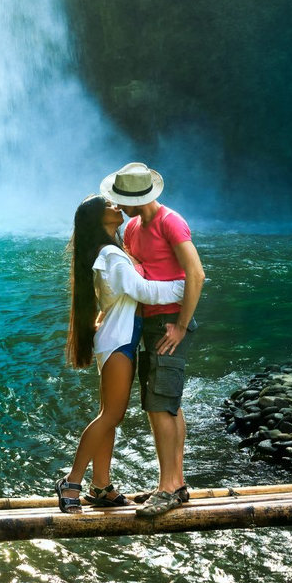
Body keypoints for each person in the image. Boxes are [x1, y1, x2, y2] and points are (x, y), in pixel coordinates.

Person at [58, 195, 187, 513]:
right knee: (110, 416)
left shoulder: (111, 252)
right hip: (119, 343)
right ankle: (71, 481)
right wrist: (186, 287)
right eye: (110, 206)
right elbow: (144, 291)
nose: (118, 207)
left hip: (119, 340)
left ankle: (100, 485)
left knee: (110, 416)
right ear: (99, 218)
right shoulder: (112, 255)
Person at [101, 161, 204, 518]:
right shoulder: (132, 229)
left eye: (119, 200)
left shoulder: (170, 222)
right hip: (150, 321)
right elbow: (137, 270)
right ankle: (176, 482)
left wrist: (180, 325)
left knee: (158, 404)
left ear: (135, 198)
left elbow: (197, 273)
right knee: (168, 401)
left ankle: (169, 487)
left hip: (169, 323)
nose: (117, 206)